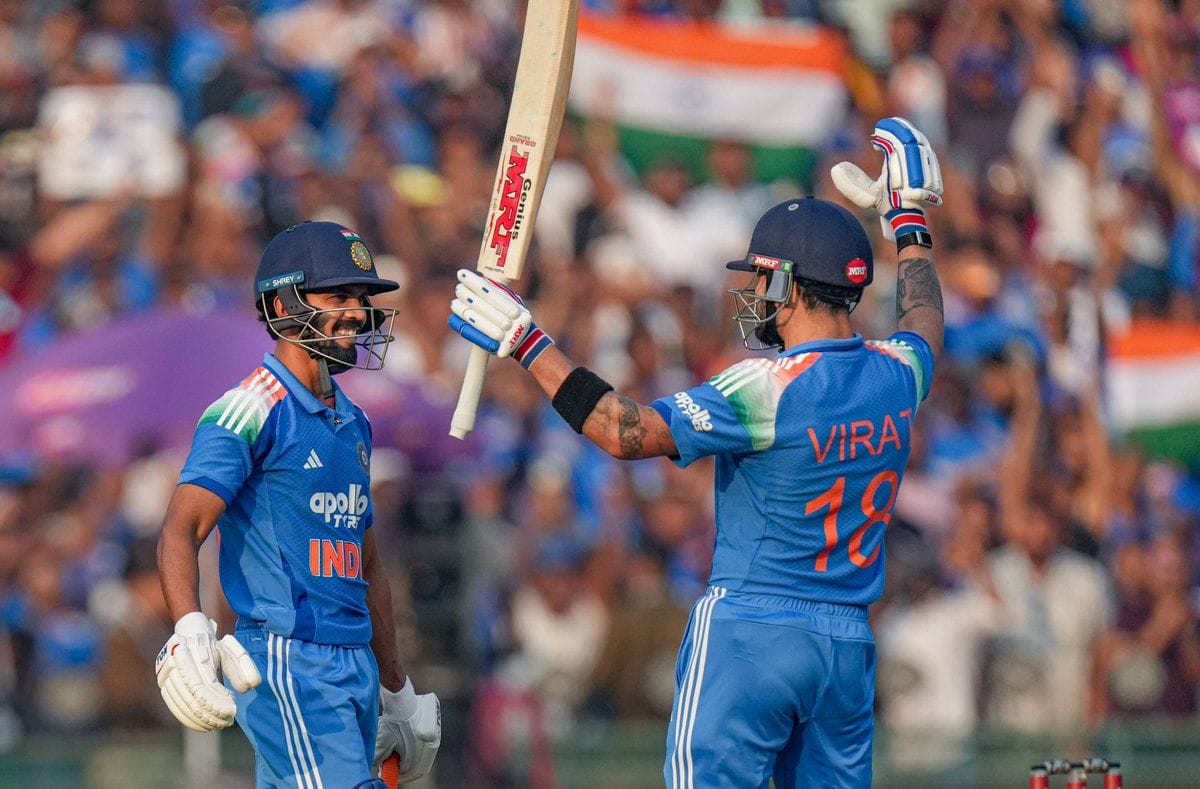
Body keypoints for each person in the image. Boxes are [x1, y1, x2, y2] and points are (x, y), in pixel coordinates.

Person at [448, 117, 945, 787]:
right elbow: (924, 323)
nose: (754, 295)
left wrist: (525, 340)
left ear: (794, 285)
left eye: (766, 280)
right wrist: (908, 221)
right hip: (846, 642)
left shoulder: (766, 386)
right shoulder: (896, 374)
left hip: (751, 630)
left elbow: (622, 431)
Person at [156, 221, 441, 788]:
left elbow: (367, 567)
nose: (358, 314)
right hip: (289, 659)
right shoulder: (248, 408)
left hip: (353, 663)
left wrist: (395, 688)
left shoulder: (354, 422)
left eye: (361, 299)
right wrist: (189, 629)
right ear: (283, 302)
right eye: (338, 297)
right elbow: (179, 528)